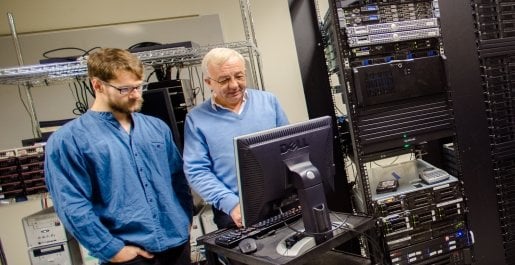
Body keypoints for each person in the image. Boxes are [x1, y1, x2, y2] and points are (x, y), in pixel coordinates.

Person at [44, 48, 193, 265]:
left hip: (177, 245)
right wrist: (111, 249)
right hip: (128, 255)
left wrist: (185, 220)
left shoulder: (156, 128)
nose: (135, 94)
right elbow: (72, 204)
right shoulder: (69, 140)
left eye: (138, 86)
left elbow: (177, 179)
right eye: (125, 89)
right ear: (97, 85)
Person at [183, 47, 289, 229]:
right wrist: (230, 203)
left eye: (239, 76)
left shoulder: (269, 102)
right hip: (235, 212)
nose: (234, 85)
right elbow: (196, 170)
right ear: (209, 82)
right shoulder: (196, 119)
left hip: (282, 202)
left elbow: (290, 148)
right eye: (224, 80)